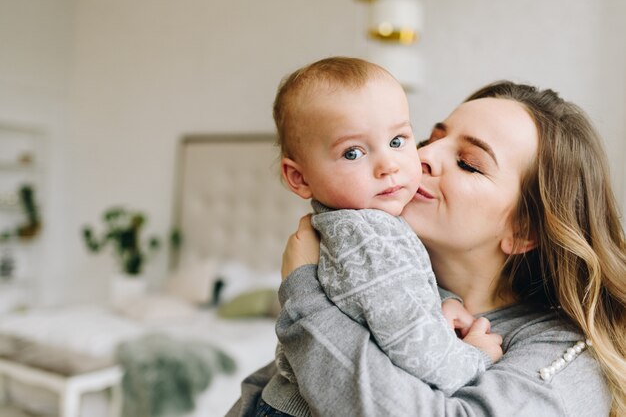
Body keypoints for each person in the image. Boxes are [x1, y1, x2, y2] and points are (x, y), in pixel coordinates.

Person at [230, 80, 626, 416]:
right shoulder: (368, 287)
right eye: (428, 138)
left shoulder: (567, 355)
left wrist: (304, 299)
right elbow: (266, 392)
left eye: (469, 163)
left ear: (524, 232)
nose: (422, 158)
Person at [257, 57, 502, 416]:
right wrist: (475, 355)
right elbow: (417, 352)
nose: (388, 164)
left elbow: (382, 300)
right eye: (352, 152)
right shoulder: (365, 236)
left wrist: (440, 303)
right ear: (300, 178)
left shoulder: (363, 224)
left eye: (398, 139)